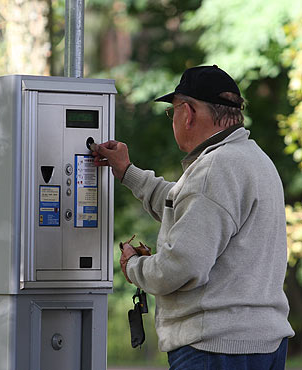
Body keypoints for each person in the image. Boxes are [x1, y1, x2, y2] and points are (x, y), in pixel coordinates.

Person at [92, 65, 295, 370]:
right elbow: (188, 205)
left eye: (172, 111)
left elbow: (181, 267)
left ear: (187, 112)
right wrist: (127, 172)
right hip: (263, 346)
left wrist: (133, 266)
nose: (173, 119)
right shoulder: (254, 159)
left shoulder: (216, 168)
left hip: (214, 348)